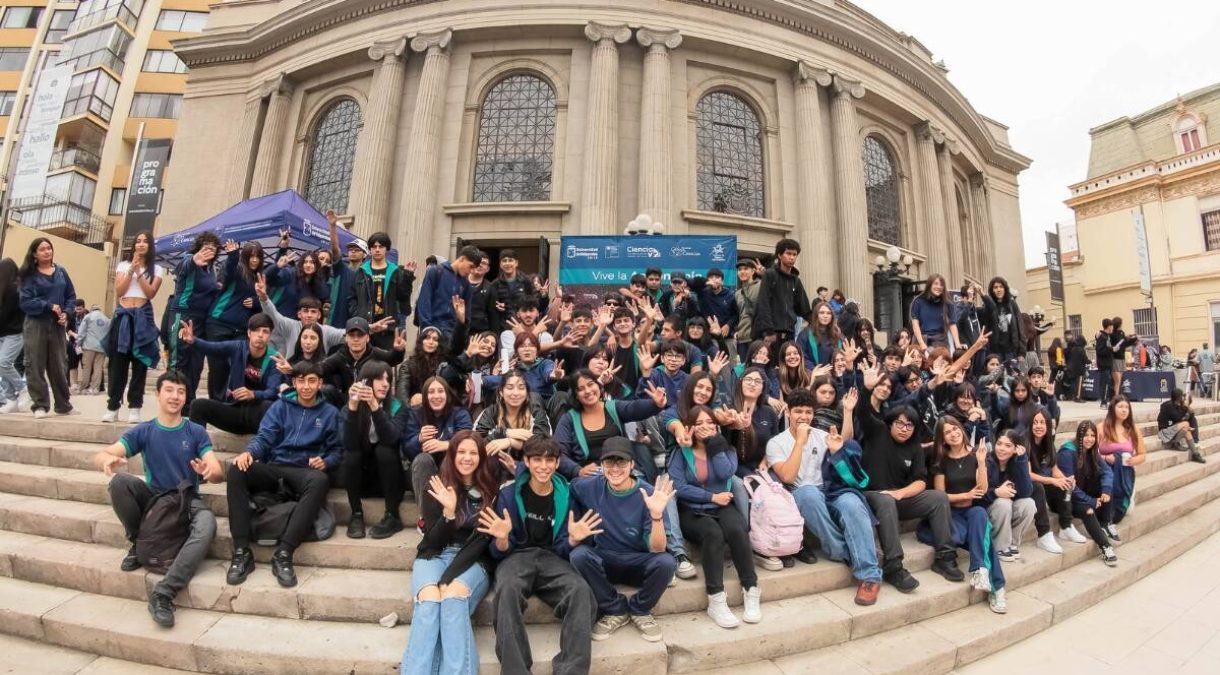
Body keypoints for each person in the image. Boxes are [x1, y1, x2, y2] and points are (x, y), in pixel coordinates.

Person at [92, 370, 222, 627]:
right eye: (170, 390)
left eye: (181, 391)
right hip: (154, 496)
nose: (175, 396)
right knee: (120, 483)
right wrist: (107, 459)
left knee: (207, 523)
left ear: (186, 397)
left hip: (186, 498)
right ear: (158, 394)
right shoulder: (145, 430)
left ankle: (164, 592)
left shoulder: (195, 431)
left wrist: (209, 471)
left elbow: (216, 471)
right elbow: (103, 453)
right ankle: (137, 541)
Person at [486, 436, 597, 675]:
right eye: (537, 459)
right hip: (516, 556)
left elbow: (562, 549)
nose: (543, 466)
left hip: (552, 559)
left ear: (557, 463)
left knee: (580, 590)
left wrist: (573, 540)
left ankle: (571, 670)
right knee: (507, 590)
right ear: (525, 461)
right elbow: (497, 552)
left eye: (549, 460)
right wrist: (503, 539)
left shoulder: (566, 495)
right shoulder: (508, 494)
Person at [225, 361, 342, 587]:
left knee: (320, 480)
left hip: (303, 471)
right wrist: (249, 453)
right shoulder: (279, 407)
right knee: (237, 470)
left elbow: (338, 450)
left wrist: (326, 461)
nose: (306, 386)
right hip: (275, 465)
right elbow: (264, 438)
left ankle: (284, 553)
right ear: (294, 383)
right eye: (301, 381)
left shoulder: (330, 413)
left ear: (320, 383)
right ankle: (241, 551)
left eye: (311, 381)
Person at [767, 388, 886, 603]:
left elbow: (842, 464)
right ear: (788, 413)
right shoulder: (776, 443)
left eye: (808, 412)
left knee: (852, 502)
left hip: (832, 491)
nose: (804, 417)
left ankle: (870, 577)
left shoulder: (822, 436)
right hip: (804, 494)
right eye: (798, 412)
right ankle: (845, 551)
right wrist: (800, 442)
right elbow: (787, 476)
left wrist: (835, 451)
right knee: (807, 493)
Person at [858, 363, 964, 588]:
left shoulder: (914, 447)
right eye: (900, 423)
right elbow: (864, 412)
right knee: (886, 499)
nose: (904, 429)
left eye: (910, 426)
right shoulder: (878, 432)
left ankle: (945, 557)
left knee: (938, 497)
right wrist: (866, 389)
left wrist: (900, 494)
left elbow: (919, 481)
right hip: (872, 496)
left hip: (898, 499)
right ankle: (894, 566)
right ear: (890, 423)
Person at [402, 431, 499, 675]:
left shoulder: (491, 490)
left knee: (453, 599)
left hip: (473, 559)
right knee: (429, 602)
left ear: (481, 457)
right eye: (461, 452)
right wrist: (449, 514)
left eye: (473, 452)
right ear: (452, 455)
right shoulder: (437, 485)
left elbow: (480, 542)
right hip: (434, 555)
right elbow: (429, 543)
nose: (467, 458)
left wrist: (448, 577)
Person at [569, 437, 677, 643]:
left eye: (621, 462)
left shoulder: (649, 494)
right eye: (609, 462)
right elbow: (572, 487)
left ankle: (640, 609)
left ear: (632, 464)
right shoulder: (590, 487)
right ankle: (614, 609)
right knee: (578, 554)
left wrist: (656, 515)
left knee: (667, 563)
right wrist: (573, 518)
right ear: (601, 465)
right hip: (605, 559)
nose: (615, 468)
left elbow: (658, 549)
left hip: (639, 561)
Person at [669, 406, 762, 627]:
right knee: (713, 533)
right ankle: (716, 598)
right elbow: (678, 487)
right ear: (690, 427)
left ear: (717, 426)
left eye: (710, 423)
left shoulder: (726, 449)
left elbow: (725, 473)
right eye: (699, 424)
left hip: (723, 506)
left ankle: (751, 588)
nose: (705, 427)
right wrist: (711, 497)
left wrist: (713, 445)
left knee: (737, 529)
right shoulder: (680, 452)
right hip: (693, 509)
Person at [929, 418, 1008, 614]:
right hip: (950, 514)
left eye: (955, 429)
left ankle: (984, 575)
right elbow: (940, 497)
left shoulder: (976, 456)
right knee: (983, 539)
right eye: (947, 432)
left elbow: (982, 489)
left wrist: (981, 462)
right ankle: (996, 586)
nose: (953, 434)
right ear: (943, 438)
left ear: (962, 430)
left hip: (972, 513)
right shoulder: (942, 461)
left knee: (980, 513)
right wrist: (965, 495)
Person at [178, 314, 283, 435]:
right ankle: (197, 448)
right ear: (249, 333)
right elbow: (212, 348)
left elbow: (273, 391)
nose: (260, 335)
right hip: (234, 411)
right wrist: (193, 340)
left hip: (258, 417)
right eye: (256, 330)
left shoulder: (274, 359)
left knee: (269, 406)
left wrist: (253, 394)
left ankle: (264, 450)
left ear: (269, 336)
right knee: (198, 405)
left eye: (265, 331)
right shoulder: (238, 347)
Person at [341, 360, 410, 539]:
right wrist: (353, 408)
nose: (385, 384)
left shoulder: (398, 407)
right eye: (379, 379)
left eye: (388, 379)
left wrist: (374, 406)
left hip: (390, 482)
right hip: (362, 481)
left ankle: (392, 515)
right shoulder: (350, 407)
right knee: (351, 455)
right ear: (365, 381)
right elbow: (348, 443)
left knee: (384, 450)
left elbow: (391, 437)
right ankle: (356, 514)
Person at [18, 237, 77, 417]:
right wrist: (48, 306)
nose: (47, 251)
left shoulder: (61, 272)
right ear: (35, 254)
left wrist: (67, 313)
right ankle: (40, 405)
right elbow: (25, 301)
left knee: (59, 364)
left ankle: (63, 404)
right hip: (36, 323)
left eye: (49, 248)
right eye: (42, 249)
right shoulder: (28, 275)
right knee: (34, 363)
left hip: (57, 325)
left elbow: (71, 296)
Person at [168, 232, 221, 406]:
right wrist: (193, 260)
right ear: (199, 247)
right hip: (183, 315)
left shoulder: (212, 269)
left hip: (201, 321)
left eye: (213, 248)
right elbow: (182, 267)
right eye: (206, 247)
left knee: (196, 365)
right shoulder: (190, 259)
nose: (209, 251)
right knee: (179, 361)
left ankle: (188, 403)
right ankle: (172, 402)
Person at [405, 376, 475, 506]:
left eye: (440, 391)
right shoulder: (415, 414)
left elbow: (469, 441)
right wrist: (419, 438)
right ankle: (426, 516)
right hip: (422, 472)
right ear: (425, 396)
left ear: (447, 394)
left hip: (451, 468)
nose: (436, 396)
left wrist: (445, 444)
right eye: (431, 392)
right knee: (422, 459)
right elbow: (407, 449)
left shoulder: (459, 413)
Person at [1057, 421, 1119, 566]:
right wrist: (1089, 500)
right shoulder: (1067, 452)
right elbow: (1069, 485)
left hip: (1082, 493)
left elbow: (1107, 472)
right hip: (1065, 498)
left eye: (1092, 435)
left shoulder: (1092, 452)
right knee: (1089, 510)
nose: (1089, 439)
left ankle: (1104, 523)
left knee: (1107, 487)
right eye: (1086, 435)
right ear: (1079, 435)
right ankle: (1105, 546)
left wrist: (1106, 490)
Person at [351, 232, 418, 350]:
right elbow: (352, 297)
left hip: (388, 327)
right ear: (370, 249)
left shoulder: (395, 271)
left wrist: (408, 276)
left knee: (385, 363)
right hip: (366, 326)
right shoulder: (361, 271)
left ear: (386, 249)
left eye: (381, 247)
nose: (377, 250)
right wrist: (357, 314)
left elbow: (403, 296)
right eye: (374, 247)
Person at [256, 273, 345, 360]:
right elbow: (273, 315)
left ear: (319, 315)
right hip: (290, 372)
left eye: (313, 312)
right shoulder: (290, 327)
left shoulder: (326, 332)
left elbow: (347, 335)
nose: (309, 315)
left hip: (316, 373)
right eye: (305, 311)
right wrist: (264, 298)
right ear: (299, 314)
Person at [981, 429, 1036, 562]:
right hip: (986, 510)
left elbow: (1026, 492)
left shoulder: (1017, 463)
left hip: (1006, 512)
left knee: (1029, 504)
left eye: (1008, 445)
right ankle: (1000, 547)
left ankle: (1012, 543)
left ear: (1015, 449)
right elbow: (978, 496)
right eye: (999, 444)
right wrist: (996, 493)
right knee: (1003, 502)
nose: (1001, 449)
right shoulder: (987, 462)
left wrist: (1022, 461)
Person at [1098, 395, 1145, 541]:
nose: (1124, 410)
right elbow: (1092, 451)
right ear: (1113, 408)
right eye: (1120, 407)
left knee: (1119, 513)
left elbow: (1142, 455)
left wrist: (1132, 460)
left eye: (1126, 407)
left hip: (1124, 472)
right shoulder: (1102, 427)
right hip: (1104, 471)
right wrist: (1106, 458)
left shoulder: (1133, 430)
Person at [752, 238, 811, 344]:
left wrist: (821, 323)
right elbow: (763, 304)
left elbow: (804, 309)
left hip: (789, 335)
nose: (792, 257)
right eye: (788, 253)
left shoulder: (795, 280)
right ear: (779, 255)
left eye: (794, 254)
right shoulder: (770, 275)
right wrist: (769, 332)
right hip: (770, 335)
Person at [415, 245, 482, 335]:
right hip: (432, 329)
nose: (472, 271)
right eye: (471, 266)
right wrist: (427, 328)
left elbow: (466, 316)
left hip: (452, 334)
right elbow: (424, 301)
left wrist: (461, 333)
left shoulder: (466, 285)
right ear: (462, 259)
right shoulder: (436, 271)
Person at [979, 276, 1023, 364]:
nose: (998, 290)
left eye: (1001, 287)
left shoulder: (1012, 304)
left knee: (1012, 377)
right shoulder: (988, 306)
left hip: (1011, 351)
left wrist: (1022, 352)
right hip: (995, 352)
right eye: (995, 287)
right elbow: (985, 324)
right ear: (992, 290)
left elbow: (1020, 328)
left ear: (1005, 289)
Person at [910, 274, 960, 350]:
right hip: (922, 339)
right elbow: (915, 324)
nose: (938, 287)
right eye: (936, 284)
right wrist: (922, 344)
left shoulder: (948, 303)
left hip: (940, 341)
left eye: (941, 285)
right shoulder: (918, 301)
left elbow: (952, 324)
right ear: (929, 285)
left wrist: (957, 344)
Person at [0, 258, 23, 414]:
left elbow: (5, 314)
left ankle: (24, 389)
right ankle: (11, 400)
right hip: (4, 333)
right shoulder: (4, 289)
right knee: (1, 366)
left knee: (3, 363)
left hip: (15, 333)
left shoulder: (15, 290)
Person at [1158, 388, 1205, 463]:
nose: (1183, 398)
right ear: (1179, 397)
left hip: (1172, 431)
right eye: (1182, 396)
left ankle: (1195, 454)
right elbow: (1179, 418)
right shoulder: (1168, 406)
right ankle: (1175, 443)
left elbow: (1190, 415)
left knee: (1187, 431)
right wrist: (1187, 406)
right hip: (1164, 433)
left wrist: (1188, 407)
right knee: (1186, 424)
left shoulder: (1177, 405)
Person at [76, 304, 109, 395]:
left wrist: (78, 343)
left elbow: (82, 332)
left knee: (87, 367)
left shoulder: (88, 317)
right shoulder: (106, 319)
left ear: (91, 310)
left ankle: (83, 388)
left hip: (89, 346)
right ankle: (95, 389)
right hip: (101, 347)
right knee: (98, 368)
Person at [733, 259, 761, 361]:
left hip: (757, 337)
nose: (742, 271)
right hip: (742, 338)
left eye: (746, 269)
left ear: (753, 271)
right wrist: (736, 331)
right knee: (745, 369)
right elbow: (738, 315)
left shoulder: (761, 286)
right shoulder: (737, 294)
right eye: (740, 269)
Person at [1094, 319, 1117, 406]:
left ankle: (1111, 401)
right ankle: (1103, 402)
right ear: (1109, 326)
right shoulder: (1102, 337)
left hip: (1109, 363)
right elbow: (1099, 351)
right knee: (1105, 383)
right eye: (1112, 326)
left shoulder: (1107, 337)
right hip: (1104, 364)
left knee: (1110, 383)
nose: (1113, 328)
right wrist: (1111, 349)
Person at [1064, 334, 1090, 403]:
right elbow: (1085, 359)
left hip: (1071, 368)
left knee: (1073, 383)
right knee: (1078, 384)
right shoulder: (1081, 350)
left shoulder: (1073, 348)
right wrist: (1089, 361)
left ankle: (1074, 396)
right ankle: (1078, 397)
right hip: (1079, 369)